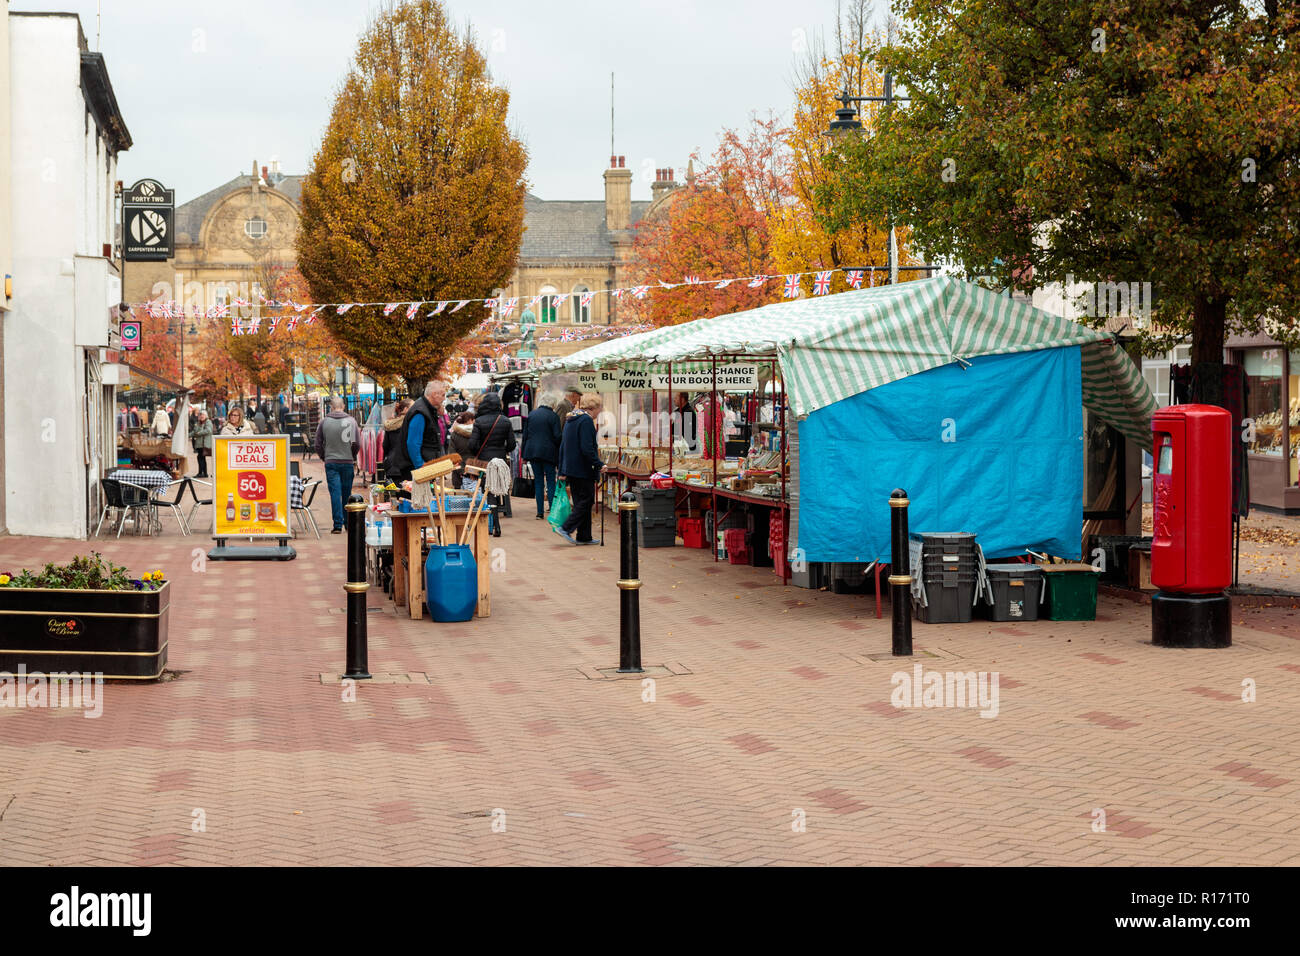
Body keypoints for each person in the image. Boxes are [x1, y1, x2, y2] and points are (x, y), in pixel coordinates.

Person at [556, 393, 604, 545]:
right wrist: (599, 464)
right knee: (586, 500)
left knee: (580, 502)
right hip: (582, 469)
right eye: (599, 408)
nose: (600, 412)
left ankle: (584, 536)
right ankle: (566, 527)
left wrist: (562, 469)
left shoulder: (572, 419)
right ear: (593, 407)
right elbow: (587, 448)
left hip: (571, 468)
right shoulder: (585, 421)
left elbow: (563, 446)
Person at [467, 390, 516, 532]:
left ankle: (491, 525)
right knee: (496, 491)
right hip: (500, 460)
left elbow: (472, 445)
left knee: (486, 491)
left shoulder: (479, 421)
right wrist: (502, 450)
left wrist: (479, 452)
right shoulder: (505, 421)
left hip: (484, 462)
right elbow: (512, 445)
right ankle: (496, 525)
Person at [387, 380, 449, 482]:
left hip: (420, 467)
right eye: (443, 395)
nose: (444, 398)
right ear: (434, 394)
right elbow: (413, 443)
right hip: (413, 470)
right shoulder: (421, 412)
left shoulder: (425, 409)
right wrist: (420, 465)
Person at [315, 396, 360, 534]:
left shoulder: (324, 422)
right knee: (347, 493)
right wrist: (351, 456)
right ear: (344, 406)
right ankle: (347, 522)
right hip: (347, 461)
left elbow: (317, 444)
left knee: (335, 493)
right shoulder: (352, 422)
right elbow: (356, 443)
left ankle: (337, 525)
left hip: (331, 462)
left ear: (331, 407)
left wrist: (324, 456)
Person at [522, 392, 562, 519]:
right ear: (552, 403)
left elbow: (525, 436)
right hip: (549, 453)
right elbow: (557, 436)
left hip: (533, 452)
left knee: (538, 481)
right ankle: (552, 510)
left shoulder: (531, 414)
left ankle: (539, 512)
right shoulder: (553, 416)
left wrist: (524, 454)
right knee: (551, 481)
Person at [380, 398, 411, 481]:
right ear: (405, 409)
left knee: (394, 492)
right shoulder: (410, 423)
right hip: (408, 465)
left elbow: (385, 445)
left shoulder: (390, 425)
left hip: (392, 464)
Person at [449, 410, 475, 488]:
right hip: (474, 470)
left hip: (458, 471)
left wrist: (461, 470)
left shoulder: (454, 434)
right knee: (476, 497)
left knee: (459, 498)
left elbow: (452, 454)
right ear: (471, 420)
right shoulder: (477, 434)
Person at [190, 409, 214, 478]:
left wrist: (199, 433)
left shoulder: (208, 422)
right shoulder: (198, 423)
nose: (201, 416)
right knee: (201, 458)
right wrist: (186, 435)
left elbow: (208, 430)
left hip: (204, 444)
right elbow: (194, 432)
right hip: (199, 444)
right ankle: (203, 473)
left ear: (206, 416)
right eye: (200, 415)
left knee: (201, 458)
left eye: (203, 415)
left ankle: (202, 473)